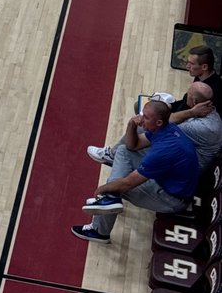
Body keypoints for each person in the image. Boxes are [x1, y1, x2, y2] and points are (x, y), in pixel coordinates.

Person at [71, 99, 199, 243]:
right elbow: (132, 146)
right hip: (168, 181)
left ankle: (99, 232)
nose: (141, 119)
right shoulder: (166, 129)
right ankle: (110, 200)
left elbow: (128, 183)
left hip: (171, 199)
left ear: (158, 122)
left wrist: (101, 190)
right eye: (142, 114)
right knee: (122, 151)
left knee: (113, 188)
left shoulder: (162, 151)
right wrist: (131, 124)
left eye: (146, 117)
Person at [88, 83, 222, 174]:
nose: (186, 94)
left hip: (187, 167)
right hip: (185, 151)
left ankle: (113, 157)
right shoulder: (209, 111)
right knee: (143, 122)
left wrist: (190, 112)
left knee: (142, 129)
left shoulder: (202, 127)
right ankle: (113, 155)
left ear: (195, 102)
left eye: (189, 93)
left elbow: (166, 122)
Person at [170, 48, 222, 115]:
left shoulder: (214, 91)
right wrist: (169, 106)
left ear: (204, 67)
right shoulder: (200, 76)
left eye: (191, 64)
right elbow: (186, 101)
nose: (187, 66)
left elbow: (189, 110)